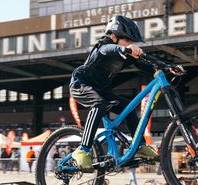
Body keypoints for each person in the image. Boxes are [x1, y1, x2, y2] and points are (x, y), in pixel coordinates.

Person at [69, 15, 183, 171]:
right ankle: (83, 150)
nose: (131, 44)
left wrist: (168, 66)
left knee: (129, 109)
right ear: (114, 37)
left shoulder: (126, 53)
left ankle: (140, 146)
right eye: (128, 41)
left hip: (101, 90)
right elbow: (107, 49)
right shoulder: (104, 46)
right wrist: (124, 48)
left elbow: (147, 65)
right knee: (98, 103)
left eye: (132, 42)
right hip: (80, 85)